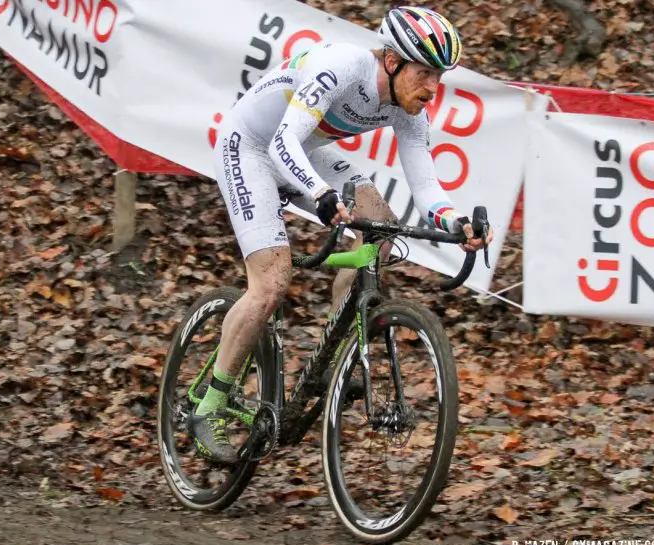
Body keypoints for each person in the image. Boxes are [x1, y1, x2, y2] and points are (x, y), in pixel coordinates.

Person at [190, 6, 494, 463]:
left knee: (381, 230)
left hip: (305, 152)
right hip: (251, 147)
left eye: (439, 76)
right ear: (392, 61)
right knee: (271, 283)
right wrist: (319, 193)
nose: (433, 88)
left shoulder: (409, 109)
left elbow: (426, 184)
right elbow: (282, 141)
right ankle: (208, 406)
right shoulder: (342, 66)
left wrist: (456, 223)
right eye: (425, 73)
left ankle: (331, 363)